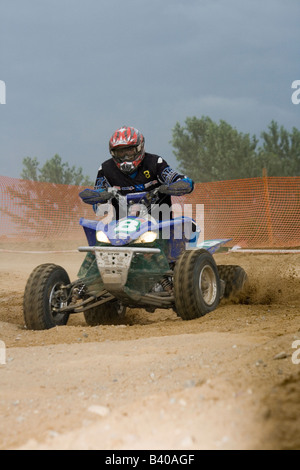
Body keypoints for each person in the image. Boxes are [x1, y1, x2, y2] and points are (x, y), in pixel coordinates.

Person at [92, 126, 194, 220]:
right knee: (97, 233)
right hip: (121, 229)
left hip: (160, 225)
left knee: (187, 225)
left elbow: (174, 177)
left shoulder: (155, 162)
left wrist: (183, 183)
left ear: (139, 147)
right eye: (121, 152)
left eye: (129, 151)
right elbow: (99, 209)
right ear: (113, 153)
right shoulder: (106, 169)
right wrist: (99, 199)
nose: (125, 157)